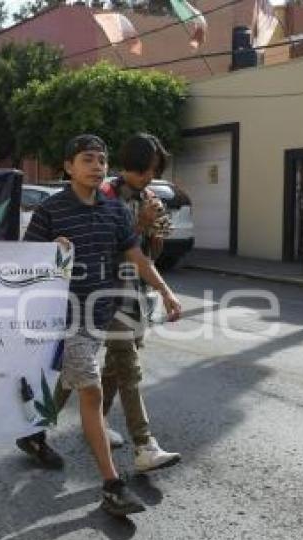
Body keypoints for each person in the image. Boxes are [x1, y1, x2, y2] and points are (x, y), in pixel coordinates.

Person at [20, 134, 182, 517]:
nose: (96, 166)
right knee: (91, 392)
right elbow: (25, 261)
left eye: (101, 160)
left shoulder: (114, 211)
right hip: (67, 316)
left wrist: (167, 291)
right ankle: (112, 484)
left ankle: (31, 430)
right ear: (68, 167)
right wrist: (49, 252)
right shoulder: (51, 211)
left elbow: (138, 256)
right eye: (87, 159)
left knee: (78, 380)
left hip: (103, 312)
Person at [97, 132, 180, 472]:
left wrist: (156, 231)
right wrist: (140, 223)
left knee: (115, 368)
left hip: (137, 294)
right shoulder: (105, 196)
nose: (150, 178)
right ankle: (144, 445)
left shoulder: (148, 196)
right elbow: (104, 247)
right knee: (128, 367)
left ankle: (93, 421)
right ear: (129, 165)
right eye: (145, 170)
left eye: (154, 171)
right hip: (107, 293)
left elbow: (152, 254)